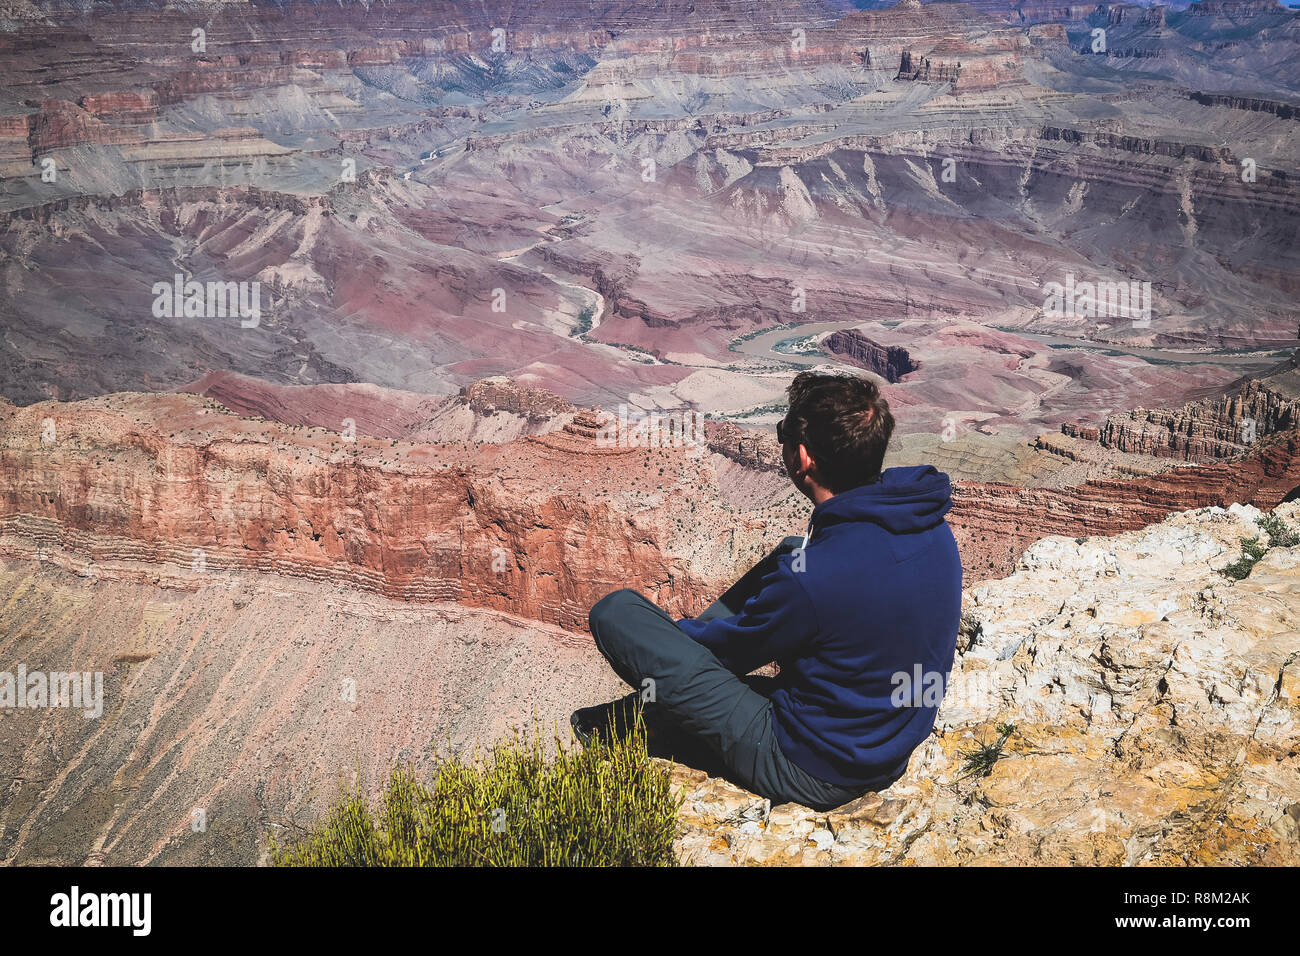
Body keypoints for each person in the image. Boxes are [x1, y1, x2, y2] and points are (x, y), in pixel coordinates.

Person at [572, 370, 963, 811]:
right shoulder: (929, 524)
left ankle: (625, 719)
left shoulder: (814, 577)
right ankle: (640, 709)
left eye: (783, 435)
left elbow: (731, 657)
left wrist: (675, 641)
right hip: (885, 742)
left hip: (813, 766)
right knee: (789, 552)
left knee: (616, 611)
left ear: (801, 457)